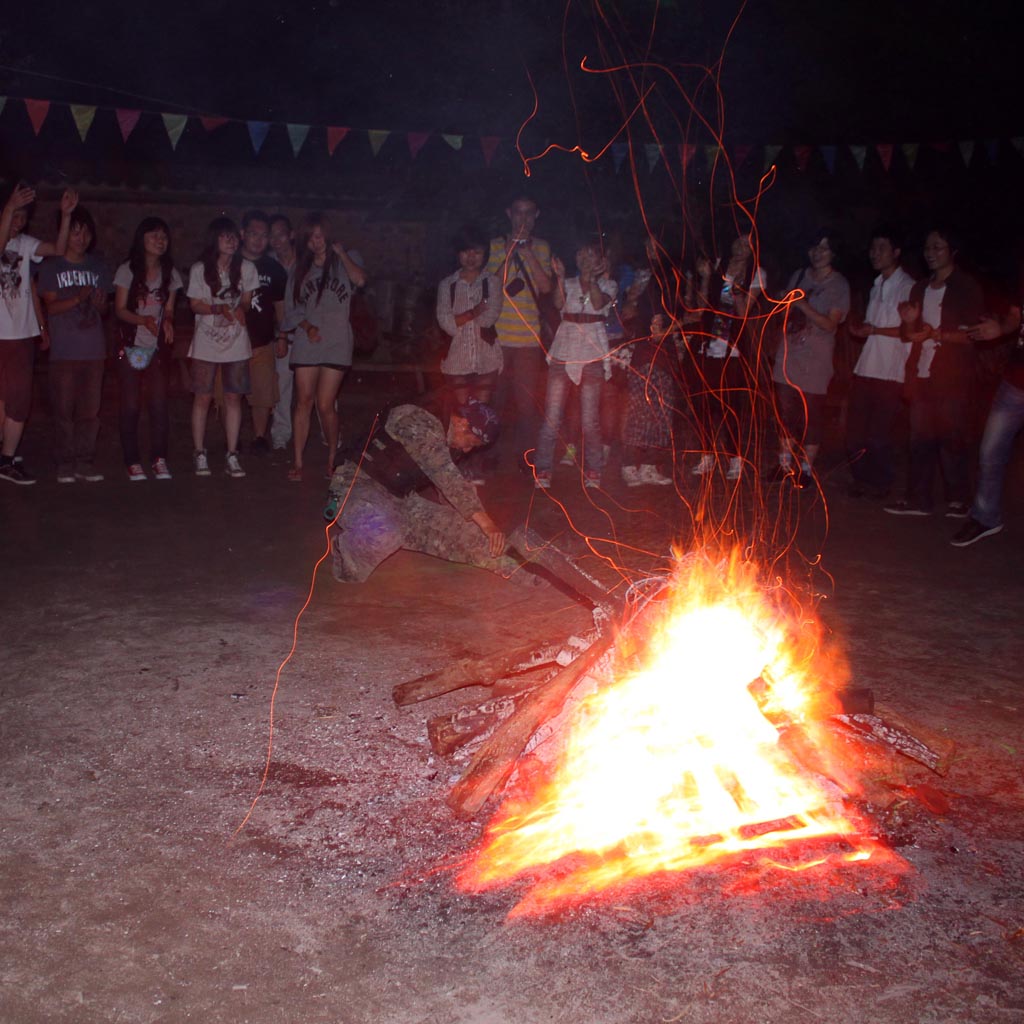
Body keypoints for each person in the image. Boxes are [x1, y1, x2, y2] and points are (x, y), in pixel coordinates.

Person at [324, 398, 530, 585]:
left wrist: (466, 522)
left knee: (465, 532)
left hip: (400, 499)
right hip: (356, 486)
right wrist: (487, 524)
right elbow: (447, 477)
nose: (468, 450)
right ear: (462, 424)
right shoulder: (417, 420)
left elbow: (449, 489)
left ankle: (528, 571)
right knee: (384, 534)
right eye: (472, 444)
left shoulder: (447, 436)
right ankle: (346, 554)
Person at [885, 228, 985, 517]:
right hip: (922, 372)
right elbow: (909, 334)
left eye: (937, 247)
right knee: (920, 437)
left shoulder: (966, 287)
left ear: (952, 251)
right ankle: (919, 499)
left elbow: (974, 334)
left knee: (952, 436)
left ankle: (960, 498)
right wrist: (909, 324)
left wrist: (938, 334)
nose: (930, 252)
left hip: (953, 373)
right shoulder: (919, 288)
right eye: (927, 247)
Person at [0, 183, 78, 484]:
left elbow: (57, 250)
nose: (19, 222)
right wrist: (8, 207)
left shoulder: (25, 244)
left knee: (19, 400)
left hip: (21, 336)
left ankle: (7, 460)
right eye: (14, 215)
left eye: (23, 217)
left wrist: (66, 216)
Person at [283, 211, 367, 481]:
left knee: (325, 404)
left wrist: (341, 255)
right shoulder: (300, 269)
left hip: (337, 342)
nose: (315, 242)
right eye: (310, 238)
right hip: (309, 342)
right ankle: (297, 461)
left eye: (319, 236)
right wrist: (306, 327)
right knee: (303, 401)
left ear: (328, 235)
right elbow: (292, 308)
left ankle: (333, 455)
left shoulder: (348, 259)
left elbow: (361, 280)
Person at [534, 241, 617, 489]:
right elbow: (559, 304)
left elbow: (599, 303)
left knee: (589, 418)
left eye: (591, 254)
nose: (585, 258)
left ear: (600, 260)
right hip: (563, 351)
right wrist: (559, 277)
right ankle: (543, 469)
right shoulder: (568, 282)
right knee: (552, 415)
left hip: (591, 354)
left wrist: (592, 279)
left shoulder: (607, 284)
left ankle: (593, 469)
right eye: (581, 253)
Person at [771, 229, 850, 489]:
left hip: (816, 360)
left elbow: (830, 324)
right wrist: (784, 301)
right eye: (815, 247)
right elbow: (785, 311)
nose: (818, 253)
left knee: (811, 416)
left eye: (825, 248)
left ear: (833, 253)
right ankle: (783, 466)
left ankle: (805, 470)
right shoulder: (799, 276)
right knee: (786, 414)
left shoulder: (838, 285)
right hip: (789, 355)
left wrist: (801, 304)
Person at [37, 206, 111, 483]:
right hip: (64, 352)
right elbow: (51, 307)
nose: (81, 238)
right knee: (63, 411)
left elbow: (103, 311)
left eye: (86, 233)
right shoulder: (52, 266)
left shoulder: (98, 266)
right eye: (75, 232)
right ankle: (64, 463)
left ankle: (85, 461)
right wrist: (79, 298)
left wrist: (101, 305)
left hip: (94, 351)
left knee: (90, 412)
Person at [844, 227, 916, 498]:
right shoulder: (877, 286)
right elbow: (875, 327)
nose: (875, 254)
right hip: (866, 367)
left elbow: (908, 331)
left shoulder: (908, 287)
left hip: (891, 371)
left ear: (896, 252)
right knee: (854, 433)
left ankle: (882, 482)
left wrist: (872, 330)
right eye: (872, 249)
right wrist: (863, 329)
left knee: (877, 434)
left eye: (881, 248)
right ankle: (863, 479)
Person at [187, 216, 258, 478]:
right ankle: (199, 452)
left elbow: (248, 303)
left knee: (233, 397)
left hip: (236, 343)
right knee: (202, 396)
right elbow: (195, 304)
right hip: (206, 341)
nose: (231, 241)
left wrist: (240, 308)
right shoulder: (199, 269)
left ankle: (232, 454)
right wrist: (219, 308)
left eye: (233, 237)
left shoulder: (247, 268)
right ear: (214, 240)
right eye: (224, 236)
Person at [691, 232, 766, 481]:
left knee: (730, 406)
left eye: (747, 244)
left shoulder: (757, 274)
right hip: (709, 342)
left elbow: (744, 313)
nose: (740, 247)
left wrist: (734, 290)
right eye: (738, 241)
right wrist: (705, 278)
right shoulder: (718, 264)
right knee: (704, 404)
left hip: (732, 347)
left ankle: (735, 459)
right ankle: (707, 455)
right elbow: (703, 304)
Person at [113, 218, 183, 481]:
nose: (160, 240)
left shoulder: (170, 273)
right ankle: (132, 460)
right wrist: (143, 320)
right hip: (131, 346)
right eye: (154, 236)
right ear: (141, 239)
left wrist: (168, 321)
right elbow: (120, 310)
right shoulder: (127, 270)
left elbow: (171, 308)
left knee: (158, 404)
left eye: (164, 236)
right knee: (131, 405)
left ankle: (158, 458)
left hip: (155, 350)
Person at [486, 196, 553, 470]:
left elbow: (545, 287)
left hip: (528, 341)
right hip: (499, 339)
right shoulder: (494, 246)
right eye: (517, 213)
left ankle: (526, 458)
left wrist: (527, 254)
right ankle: (490, 457)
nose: (522, 219)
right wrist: (511, 251)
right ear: (508, 214)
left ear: (536, 215)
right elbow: (491, 285)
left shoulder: (543, 247)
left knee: (527, 405)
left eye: (528, 213)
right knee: (494, 403)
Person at [951, 307, 1024, 545]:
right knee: (990, 451)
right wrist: (1001, 328)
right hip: (1015, 382)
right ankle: (985, 516)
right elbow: (1016, 314)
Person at [238, 210, 288, 454]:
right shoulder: (229, 262)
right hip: (231, 341)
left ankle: (259, 437)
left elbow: (280, 307)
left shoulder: (274, 269)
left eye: (264, 235)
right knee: (230, 391)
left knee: (262, 392)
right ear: (242, 234)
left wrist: (283, 336)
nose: (258, 240)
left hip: (263, 340)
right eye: (253, 234)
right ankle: (232, 437)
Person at [268, 214, 296, 452]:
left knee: (318, 387)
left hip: (308, 333)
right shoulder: (268, 264)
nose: (277, 240)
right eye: (272, 235)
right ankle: (281, 433)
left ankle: (330, 433)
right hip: (281, 335)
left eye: (281, 233)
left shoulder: (307, 262)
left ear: (291, 235)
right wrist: (280, 335)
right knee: (282, 383)